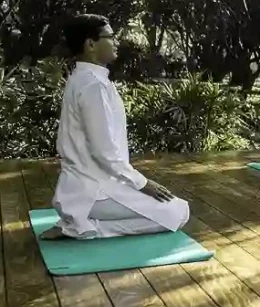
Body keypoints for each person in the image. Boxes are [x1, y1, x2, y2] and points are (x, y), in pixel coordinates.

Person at [41, 14, 190, 240]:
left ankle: (78, 223)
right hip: (94, 193)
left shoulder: (83, 78)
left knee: (172, 210)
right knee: (178, 212)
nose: (116, 41)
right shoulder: (93, 85)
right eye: (110, 36)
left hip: (89, 189)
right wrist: (143, 183)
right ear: (91, 44)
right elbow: (104, 152)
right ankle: (84, 228)